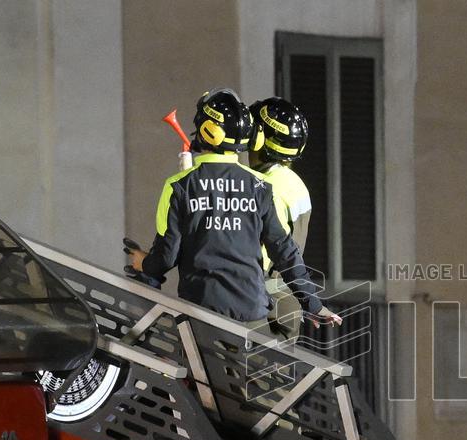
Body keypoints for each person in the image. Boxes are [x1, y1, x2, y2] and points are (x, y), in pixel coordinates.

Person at [127, 88, 340, 334]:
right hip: (254, 317)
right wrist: (312, 303)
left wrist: (143, 263)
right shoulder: (261, 186)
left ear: (207, 130)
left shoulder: (178, 186)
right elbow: (284, 250)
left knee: (196, 372)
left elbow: (165, 257)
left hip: (202, 315)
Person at [247, 97, 315, 341]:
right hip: (284, 304)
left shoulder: (265, 187)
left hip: (264, 310)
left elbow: (258, 261)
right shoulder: (293, 183)